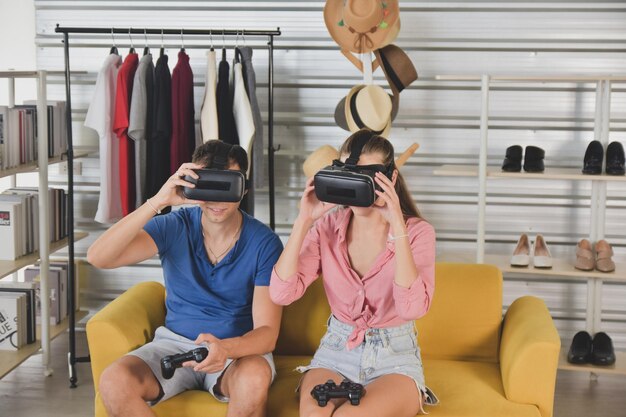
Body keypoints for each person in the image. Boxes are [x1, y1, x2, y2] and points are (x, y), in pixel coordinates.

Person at [87, 140, 284, 417]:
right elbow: (99, 257)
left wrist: (223, 349)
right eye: (207, 186)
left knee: (253, 379)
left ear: (244, 189)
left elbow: (266, 334)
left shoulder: (264, 243)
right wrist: (159, 201)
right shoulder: (174, 226)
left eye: (226, 187)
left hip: (235, 352)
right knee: (113, 381)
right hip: (174, 345)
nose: (217, 200)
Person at [269, 129, 438, 417]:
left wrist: (398, 227)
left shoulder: (418, 232)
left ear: (390, 179)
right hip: (336, 350)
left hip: (394, 357)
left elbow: (412, 308)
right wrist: (304, 220)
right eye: (350, 174)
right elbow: (282, 293)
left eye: (367, 176)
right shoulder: (327, 228)